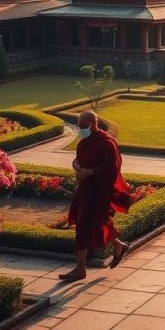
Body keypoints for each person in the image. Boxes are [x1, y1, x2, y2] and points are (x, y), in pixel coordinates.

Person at [59, 110, 131, 281]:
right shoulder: (86, 141)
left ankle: (80, 268)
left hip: (99, 191)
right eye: (79, 126)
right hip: (86, 189)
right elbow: (79, 158)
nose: (81, 130)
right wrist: (76, 165)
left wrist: (90, 172)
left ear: (93, 124)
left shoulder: (106, 143)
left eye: (83, 126)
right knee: (99, 222)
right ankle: (118, 246)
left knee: (84, 224)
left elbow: (113, 168)